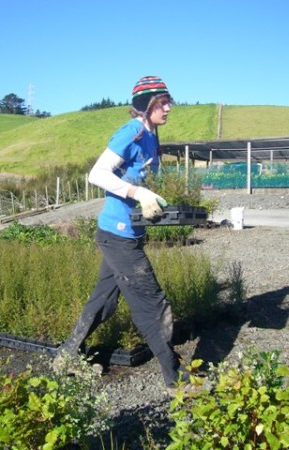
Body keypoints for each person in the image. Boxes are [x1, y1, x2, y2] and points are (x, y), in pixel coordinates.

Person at [53, 76, 189, 394]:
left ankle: (64, 358)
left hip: (126, 233)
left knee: (103, 302)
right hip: (118, 237)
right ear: (146, 105)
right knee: (152, 304)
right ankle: (177, 379)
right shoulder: (131, 132)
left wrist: (151, 202)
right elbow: (97, 174)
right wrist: (137, 192)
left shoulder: (151, 136)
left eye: (168, 101)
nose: (168, 108)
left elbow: (138, 181)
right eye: (162, 103)